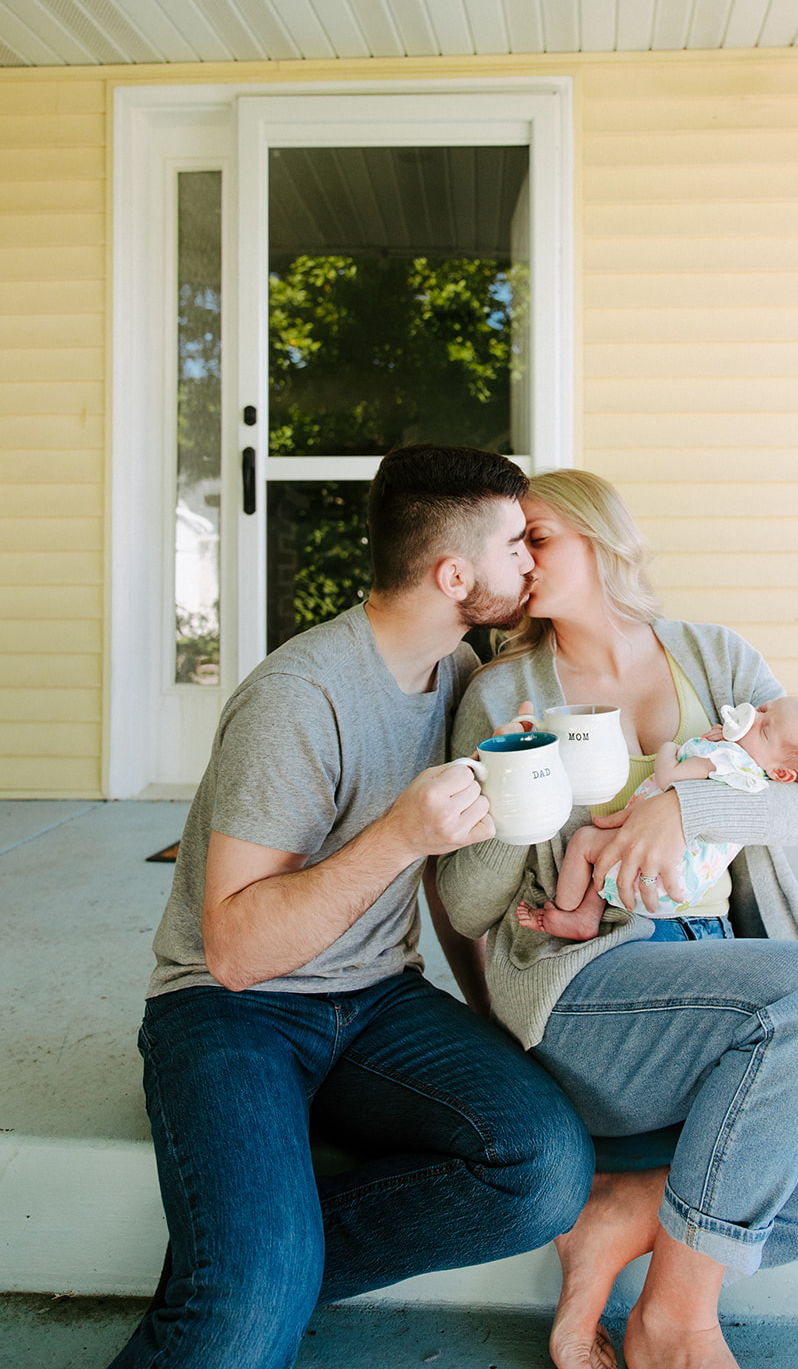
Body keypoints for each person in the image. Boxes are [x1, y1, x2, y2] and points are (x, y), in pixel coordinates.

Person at [436, 469, 798, 1369]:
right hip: (589, 996)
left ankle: (631, 1210)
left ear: (599, 538)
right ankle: (675, 1320)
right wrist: (522, 777)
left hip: (734, 983)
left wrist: (687, 807)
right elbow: (466, 904)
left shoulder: (714, 658)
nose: (517, 562)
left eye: (535, 538)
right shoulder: (499, 692)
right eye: (508, 546)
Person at [108, 446, 595, 1369]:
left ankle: (255, 1268)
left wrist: (494, 1020)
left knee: (543, 1170)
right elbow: (235, 952)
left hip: (377, 1000)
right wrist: (400, 836)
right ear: (454, 576)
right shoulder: (296, 700)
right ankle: (248, 1280)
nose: (530, 561)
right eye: (513, 546)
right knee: (243, 1313)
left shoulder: (457, 670)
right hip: (230, 1012)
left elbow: (448, 880)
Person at [518, 694, 798, 941]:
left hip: (660, 873)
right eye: (762, 709)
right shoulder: (753, 778)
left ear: (782, 773)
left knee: (585, 842)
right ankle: (589, 915)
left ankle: (567, 911)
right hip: (681, 887)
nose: (752, 718)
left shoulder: (725, 759)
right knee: (607, 857)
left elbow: (669, 777)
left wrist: (669, 749)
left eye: (763, 728)